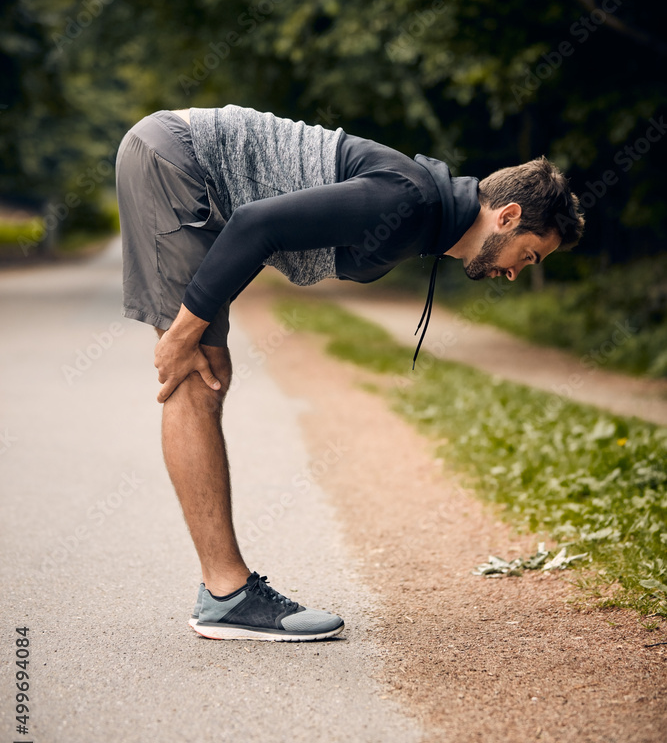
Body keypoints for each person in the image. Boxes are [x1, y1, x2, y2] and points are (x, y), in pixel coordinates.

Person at [115, 104, 584, 642]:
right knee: (198, 373)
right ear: (508, 217)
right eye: (529, 256)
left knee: (209, 367)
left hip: (182, 164)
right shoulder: (409, 199)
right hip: (176, 158)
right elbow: (256, 225)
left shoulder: (427, 216)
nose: (515, 273)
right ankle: (226, 594)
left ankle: (224, 593)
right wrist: (179, 336)